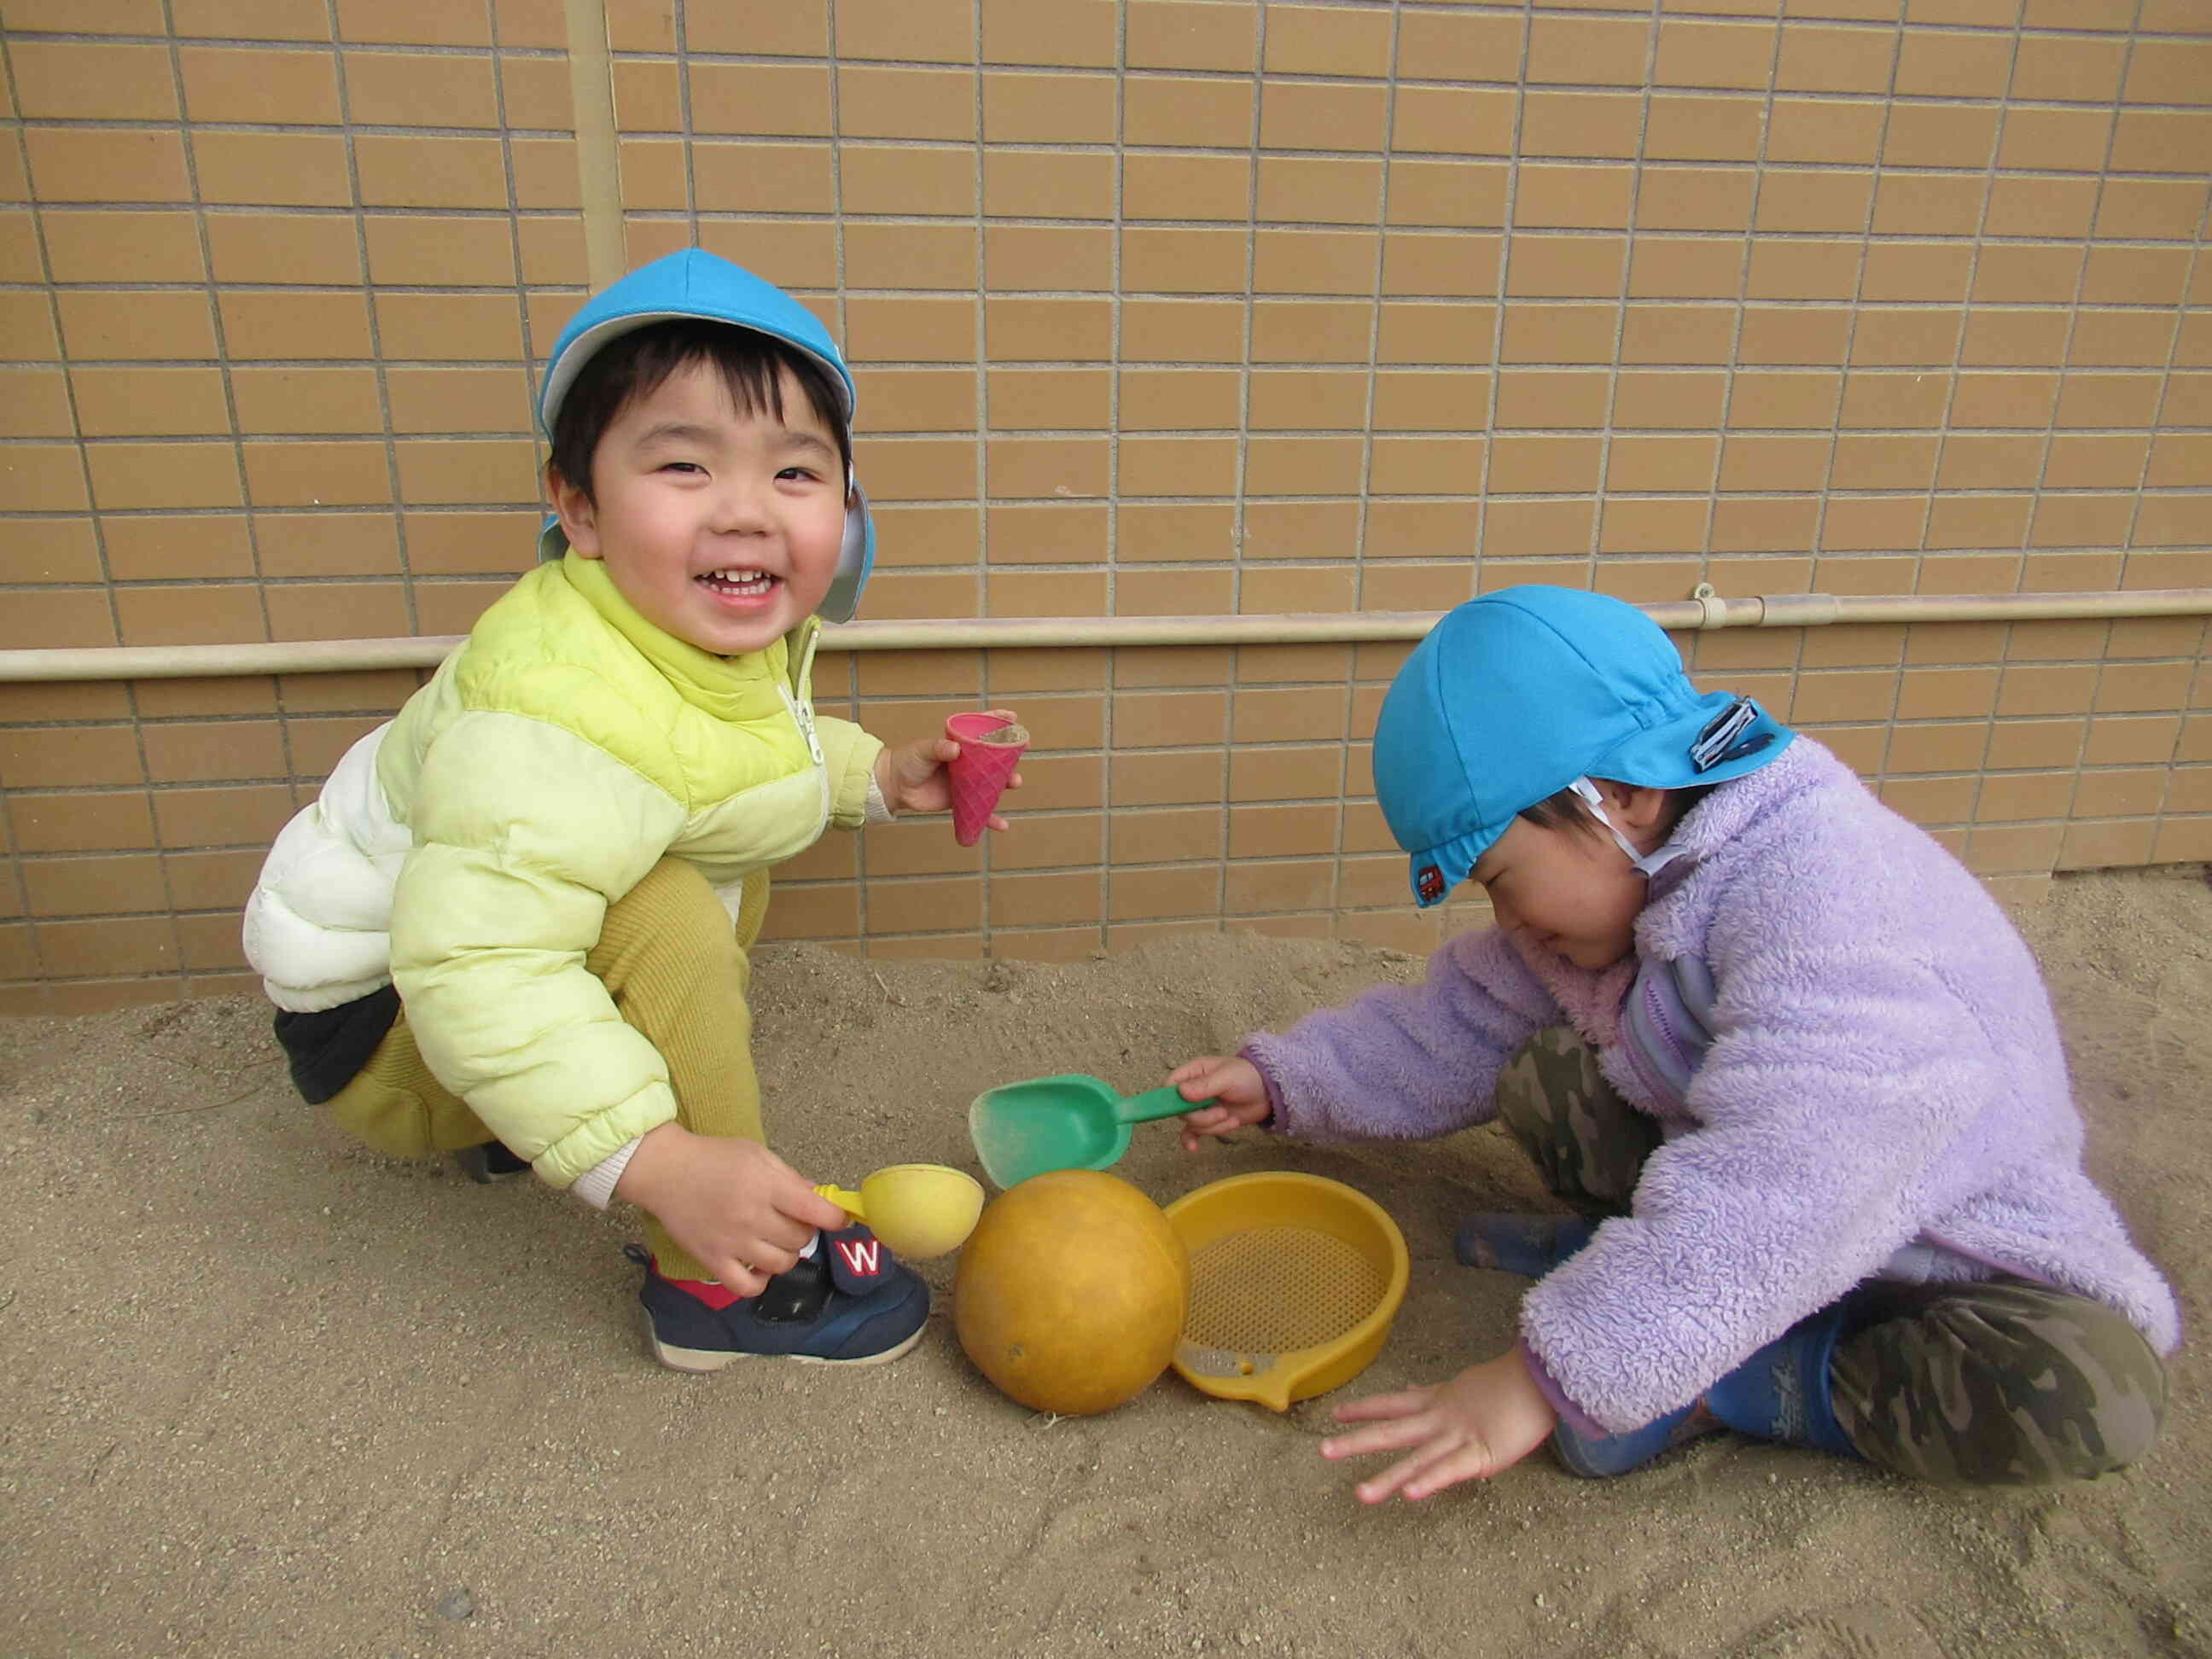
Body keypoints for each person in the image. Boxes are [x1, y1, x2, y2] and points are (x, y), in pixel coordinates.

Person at [1168, 585, 2177, 1497]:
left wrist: (1547, 1377)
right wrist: (1284, 1079)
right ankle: (1640, 1272)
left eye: (1503, 880)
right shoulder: (1628, 880)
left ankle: (1735, 1378)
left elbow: (1791, 1181)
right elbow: (1454, 1025)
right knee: (1543, 1070)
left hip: (1938, 1252)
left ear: (1622, 799)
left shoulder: (1828, 894)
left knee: (2089, 1391)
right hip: (1750, 1196)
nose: (1505, 919)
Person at [243, 249, 1018, 1371]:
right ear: (580, 507)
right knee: (667, 911)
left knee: (688, 864)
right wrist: (661, 1163)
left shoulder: (673, 623)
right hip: (385, 1019)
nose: (748, 512)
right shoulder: (548, 709)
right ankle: (714, 1285)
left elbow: (729, 753)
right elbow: (479, 960)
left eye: (795, 474)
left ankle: (533, 1116)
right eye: (685, 467)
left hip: (448, 968)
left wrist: (881, 779)